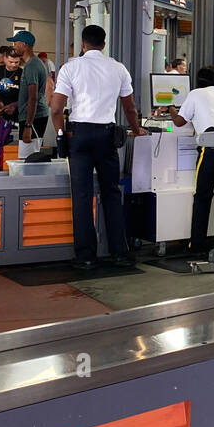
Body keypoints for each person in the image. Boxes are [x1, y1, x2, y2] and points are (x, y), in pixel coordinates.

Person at [50, 24, 146, 271]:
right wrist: (136, 129)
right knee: (112, 193)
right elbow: (129, 107)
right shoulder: (118, 68)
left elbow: (56, 108)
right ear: (104, 44)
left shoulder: (70, 68)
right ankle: (120, 253)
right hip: (107, 137)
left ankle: (86, 257)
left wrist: (61, 135)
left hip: (79, 136)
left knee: (82, 196)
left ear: (83, 44)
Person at [170, 66, 214, 257]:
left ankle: (196, 244)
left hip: (209, 149)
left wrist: (171, 110)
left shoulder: (195, 94)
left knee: (202, 196)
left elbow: (179, 122)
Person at [10, 30, 50, 158]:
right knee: (29, 159)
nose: (14, 46)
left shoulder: (32, 65)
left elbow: (33, 97)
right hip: (33, 116)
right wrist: (16, 104)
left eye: (16, 43)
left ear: (24, 44)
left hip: (33, 119)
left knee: (27, 160)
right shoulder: (35, 63)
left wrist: (28, 125)